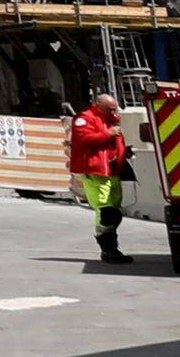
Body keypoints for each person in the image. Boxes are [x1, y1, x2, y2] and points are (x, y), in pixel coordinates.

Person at [66, 92, 133, 262]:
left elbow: (114, 143)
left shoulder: (110, 119)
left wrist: (124, 152)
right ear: (98, 106)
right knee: (106, 211)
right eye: (110, 109)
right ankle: (108, 249)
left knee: (114, 211)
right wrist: (109, 133)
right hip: (95, 171)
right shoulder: (85, 118)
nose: (113, 112)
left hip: (112, 170)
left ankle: (111, 248)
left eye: (114, 109)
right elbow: (84, 139)